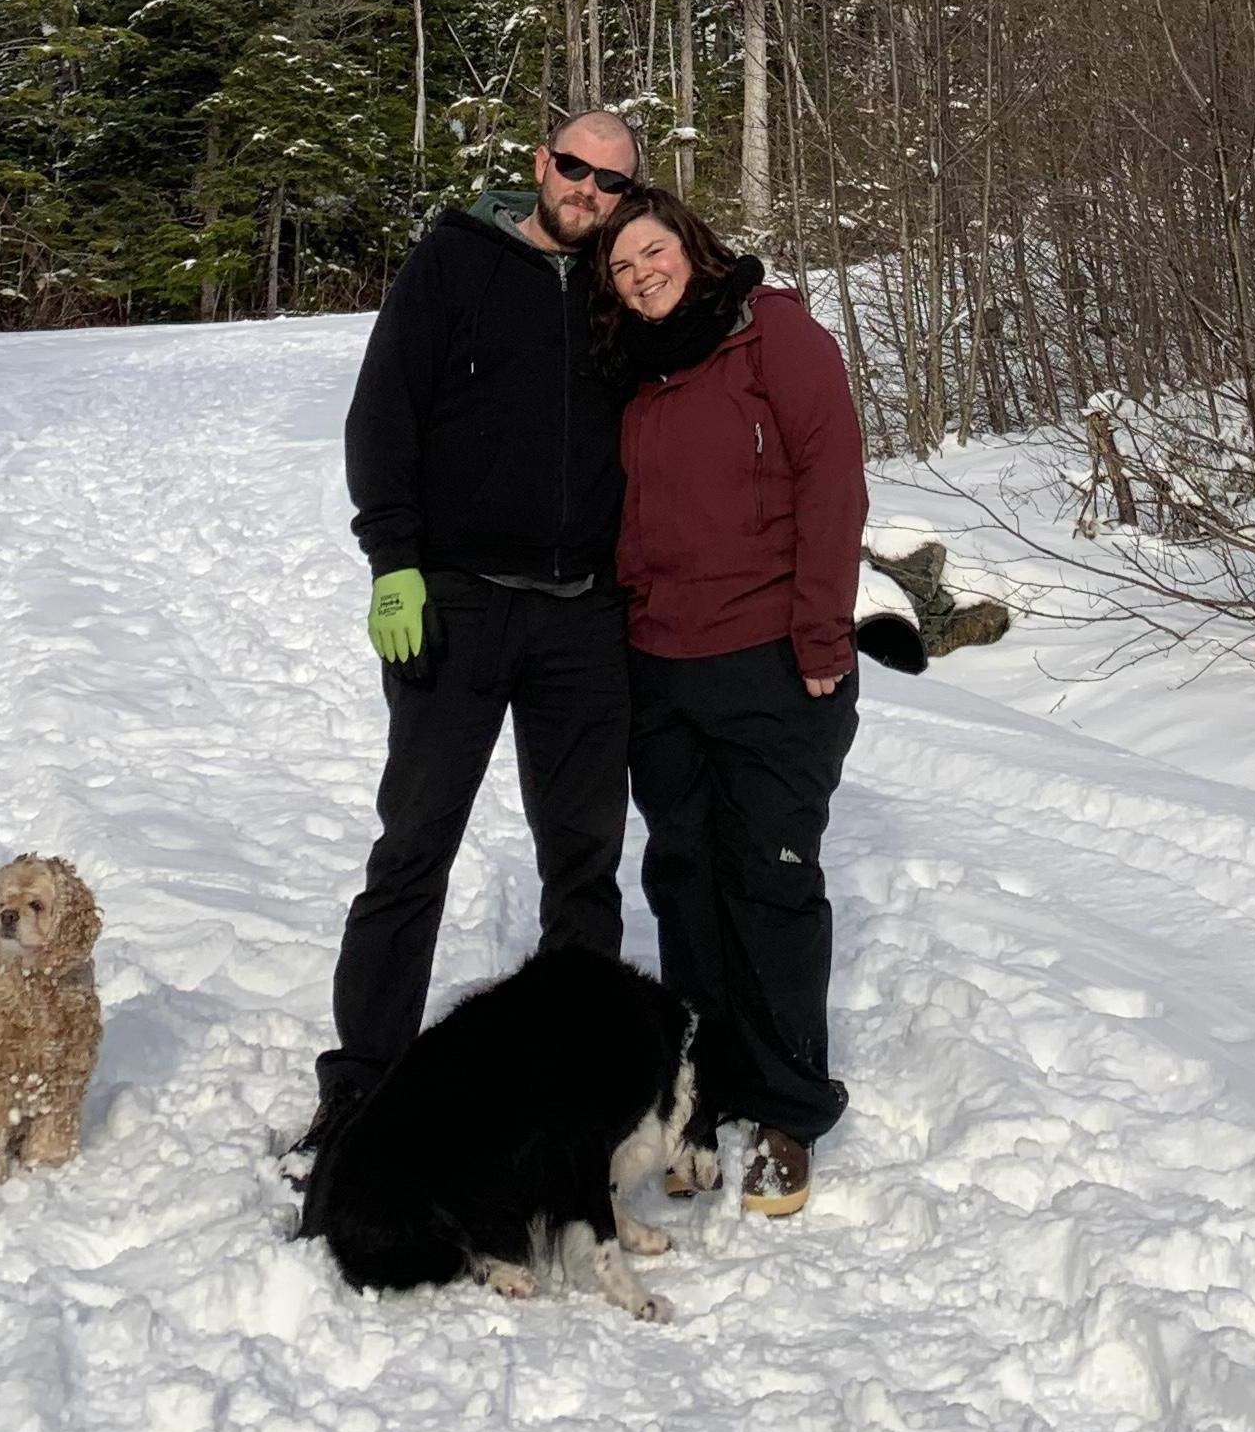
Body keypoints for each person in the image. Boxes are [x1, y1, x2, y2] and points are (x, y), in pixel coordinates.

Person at [302, 106, 648, 1157]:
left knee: (583, 860)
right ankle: (361, 1093)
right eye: (577, 169)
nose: (590, 193)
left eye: (614, 184)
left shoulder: (618, 286)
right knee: (414, 848)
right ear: (541, 164)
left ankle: (580, 1091)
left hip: (584, 613)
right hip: (455, 604)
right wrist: (392, 559)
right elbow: (384, 413)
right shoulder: (454, 261)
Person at [589, 179, 866, 1219]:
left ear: (692, 246)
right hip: (660, 666)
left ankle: (790, 1106)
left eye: (651, 250)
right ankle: (702, 1092)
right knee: (684, 877)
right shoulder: (632, 373)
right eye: (620, 267)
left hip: (770, 662)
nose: (641, 272)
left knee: (774, 879)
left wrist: (821, 634)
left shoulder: (775, 336)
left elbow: (831, 480)